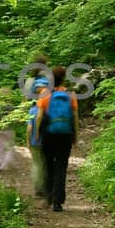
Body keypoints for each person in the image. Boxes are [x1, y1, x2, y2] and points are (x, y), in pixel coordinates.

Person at [34, 65, 78, 211]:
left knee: (48, 165)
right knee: (61, 167)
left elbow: (39, 116)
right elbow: (75, 118)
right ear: (64, 78)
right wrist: (75, 136)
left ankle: (48, 198)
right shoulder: (70, 95)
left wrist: (37, 133)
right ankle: (58, 202)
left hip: (48, 134)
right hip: (65, 135)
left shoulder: (45, 94)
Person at [21, 55, 50, 198]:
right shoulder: (49, 80)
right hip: (49, 116)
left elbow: (25, 101)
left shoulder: (30, 81)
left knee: (36, 159)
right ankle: (48, 186)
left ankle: (39, 188)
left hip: (33, 115)